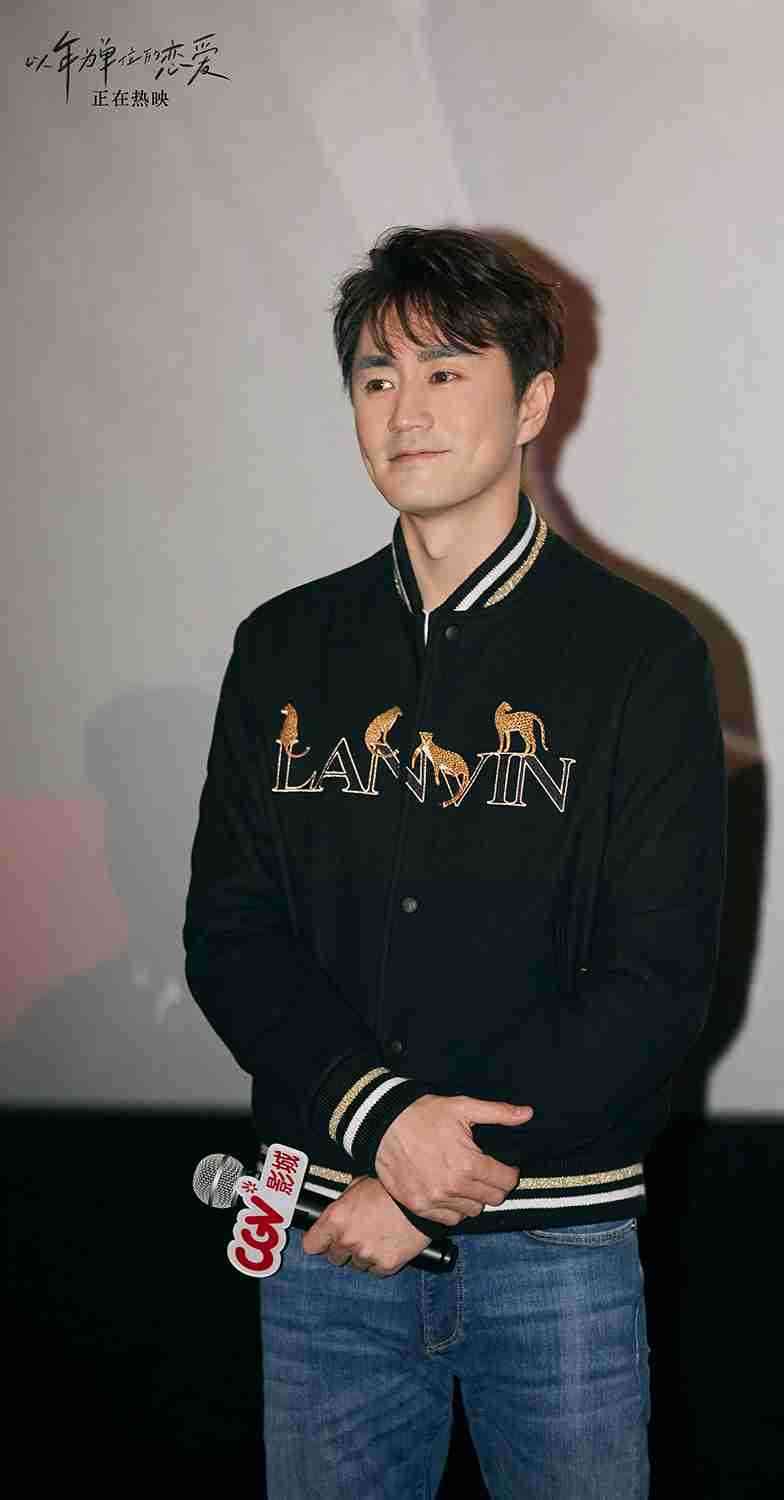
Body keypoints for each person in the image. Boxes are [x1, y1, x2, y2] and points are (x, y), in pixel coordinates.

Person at [183, 225, 727, 1499]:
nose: (405, 409)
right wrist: (381, 1129)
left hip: (552, 1247)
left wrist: (427, 1187)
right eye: (376, 377)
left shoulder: (640, 657)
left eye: (444, 372)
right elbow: (231, 933)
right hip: (326, 1234)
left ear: (532, 402)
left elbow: (655, 981)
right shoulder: (283, 647)